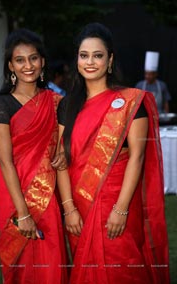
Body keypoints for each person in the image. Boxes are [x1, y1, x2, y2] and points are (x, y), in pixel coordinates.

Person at [57, 23, 170, 284]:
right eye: (84, 55)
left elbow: (137, 158)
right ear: (77, 59)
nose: (90, 62)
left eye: (98, 55)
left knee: (123, 268)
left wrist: (120, 209)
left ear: (110, 60)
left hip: (117, 204)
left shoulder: (131, 102)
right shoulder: (67, 105)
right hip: (79, 207)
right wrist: (68, 209)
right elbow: (60, 159)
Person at [0, 29, 68, 284]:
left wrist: (64, 153)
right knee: (22, 266)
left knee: (52, 263)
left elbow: (63, 145)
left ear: (42, 61)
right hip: (15, 196)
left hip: (49, 196)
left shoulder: (56, 102)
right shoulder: (2, 104)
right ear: (11, 65)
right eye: (20, 60)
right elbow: (5, 161)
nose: (28, 65)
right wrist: (22, 213)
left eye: (33, 58)